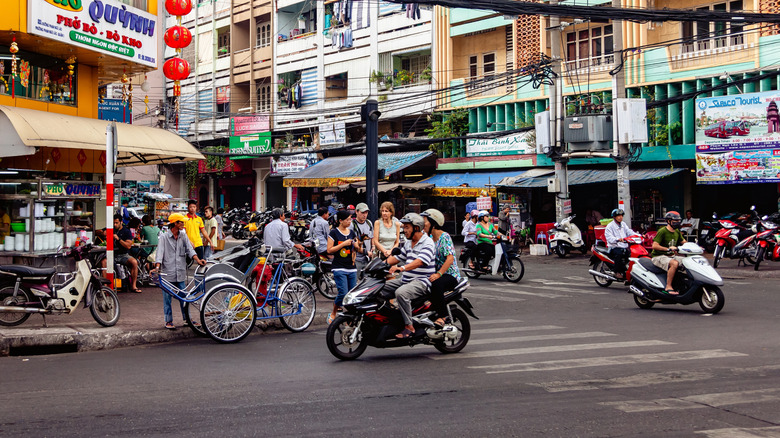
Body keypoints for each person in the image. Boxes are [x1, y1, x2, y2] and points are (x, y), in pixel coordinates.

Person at [384, 213, 436, 339]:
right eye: (404, 227)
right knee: (380, 287)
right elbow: (397, 257)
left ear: (416, 228)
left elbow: (420, 261)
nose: (404, 230)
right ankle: (391, 320)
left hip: (422, 282)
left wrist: (402, 268)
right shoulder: (408, 243)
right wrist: (378, 265)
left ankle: (409, 326)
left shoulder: (427, 242)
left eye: (407, 227)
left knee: (401, 293)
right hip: (406, 280)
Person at [153, 213, 207, 330]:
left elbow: (190, 250)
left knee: (184, 297)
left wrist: (198, 260)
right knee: (167, 298)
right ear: (175, 224)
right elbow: (159, 254)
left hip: (180, 272)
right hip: (168, 273)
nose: (183, 224)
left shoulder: (183, 235)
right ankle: (168, 321)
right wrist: (157, 268)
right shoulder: (164, 237)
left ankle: (187, 319)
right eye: (181, 222)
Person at [421, 208, 462, 327]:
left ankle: (443, 315)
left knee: (436, 284)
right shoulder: (427, 239)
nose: (423, 224)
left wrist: (439, 274)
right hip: (434, 272)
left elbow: (450, 259)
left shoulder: (445, 237)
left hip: (449, 274)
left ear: (433, 224)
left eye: (425, 221)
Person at [327, 210, 361, 324]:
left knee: (352, 295)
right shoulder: (334, 233)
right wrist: (343, 244)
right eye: (347, 219)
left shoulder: (352, 233)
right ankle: (334, 311)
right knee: (343, 292)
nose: (349, 221)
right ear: (340, 221)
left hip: (351, 267)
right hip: (339, 267)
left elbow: (357, 248)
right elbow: (329, 250)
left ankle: (349, 317)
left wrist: (357, 246)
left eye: (350, 219)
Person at [651, 211, 687, 295]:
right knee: (674, 264)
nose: (677, 223)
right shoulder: (662, 231)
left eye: (678, 221)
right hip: (659, 256)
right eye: (675, 221)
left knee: (687, 262)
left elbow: (684, 242)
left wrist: (695, 247)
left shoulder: (677, 231)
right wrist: (668, 249)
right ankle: (668, 286)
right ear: (668, 221)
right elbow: (654, 245)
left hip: (671, 256)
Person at [112, 214, 141, 293]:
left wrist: (119, 239)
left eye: (116, 223)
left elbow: (128, 246)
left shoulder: (126, 231)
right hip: (111, 254)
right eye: (114, 223)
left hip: (123, 254)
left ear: (121, 222)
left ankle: (133, 286)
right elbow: (99, 231)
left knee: (134, 262)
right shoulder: (111, 229)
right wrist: (103, 233)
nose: (115, 225)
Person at [604, 208, 635, 279]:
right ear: (614, 217)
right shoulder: (610, 226)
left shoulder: (623, 224)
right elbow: (609, 238)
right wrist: (617, 239)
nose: (621, 217)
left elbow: (630, 232)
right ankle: (616, 272)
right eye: (618, 216)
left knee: (630, 254)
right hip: (614, 247)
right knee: (619, 254)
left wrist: (638, 235)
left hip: (623, 246)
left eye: (621, 215)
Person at [352, 203, 373, 278]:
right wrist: (366, 252)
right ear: (356, 212)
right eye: (362, 212)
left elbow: (371, 237)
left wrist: (373, 246)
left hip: (367, 258)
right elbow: (353, 244)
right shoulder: (352, 225)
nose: (364, 215)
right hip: (356, 259)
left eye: (366, 212)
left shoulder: (369, 223)